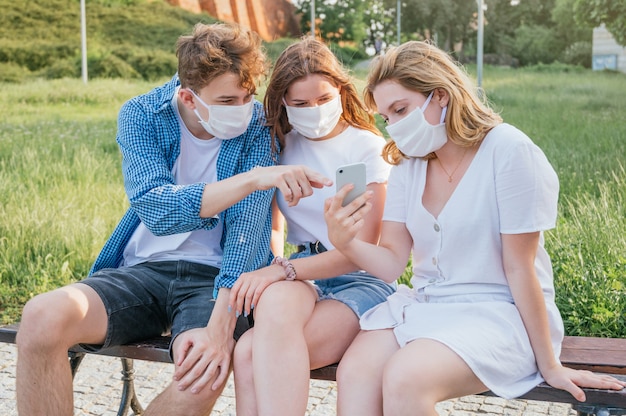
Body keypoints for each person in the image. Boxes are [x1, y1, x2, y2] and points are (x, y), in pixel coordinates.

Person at [15, 23, 331, 416]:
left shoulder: (258, 125)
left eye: (249, 96)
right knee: (42, 316)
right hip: (142, 270)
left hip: (214, 281)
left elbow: (247, 236)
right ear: (188, 96)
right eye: (228, 100)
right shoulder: (141, 115)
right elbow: (157, 210)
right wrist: (252, 178)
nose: (244, 109)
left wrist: (219, 330)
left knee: (202, 371)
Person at [323, 40, 626, 416]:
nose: (394, 128)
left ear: (441, 96)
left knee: (405, 378)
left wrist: (550, 364)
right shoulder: (407, 165)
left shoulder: (509, 150)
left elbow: (521, 268)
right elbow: (391, 264)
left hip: (499, 312)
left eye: (401, 109)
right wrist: (345, 241)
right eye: (387, 117)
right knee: (356, 372)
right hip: (426, 306)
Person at [228, 37, 396, 416]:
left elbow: (358, 252)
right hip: (301, 272)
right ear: (283, 103)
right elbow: (272, 224)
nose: (314, 111)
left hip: (359, 278)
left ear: (340, 90)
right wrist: (274, 264)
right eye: (301, 104)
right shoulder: (281, 144)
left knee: (249, 351)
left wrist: (280, 270)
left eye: (323, 99)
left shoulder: (362, 149)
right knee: (260, 329)